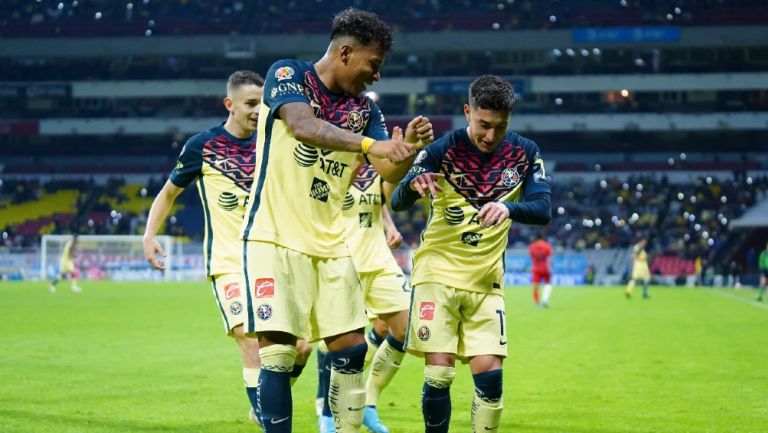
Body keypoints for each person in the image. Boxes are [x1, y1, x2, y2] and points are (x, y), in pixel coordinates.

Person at [239, 8, 431, 433]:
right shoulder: (288, 74)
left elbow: (387, 173)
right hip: (273, 238)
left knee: (351, 349)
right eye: (373, 65)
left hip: (332, 244)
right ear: (345, 52)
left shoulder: (365, 110)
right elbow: (302, 125)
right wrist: (369, 145)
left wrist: (408, 151)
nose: (376, 76)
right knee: (279, 353)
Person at [142, 70, 311, 427]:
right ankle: (270, 419)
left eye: (262, 104)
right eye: (250, 103)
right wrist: (149, 236)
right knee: (251, 344)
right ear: (229, 104)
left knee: (301, 348)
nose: (257, 110)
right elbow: (168, 193)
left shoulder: (275, 141)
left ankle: (267, 399)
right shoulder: (203, 146)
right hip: (229, 263)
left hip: (271, 260)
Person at [391, 75, 552, 433]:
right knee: (440, 371)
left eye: (500, 126)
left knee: (491, 381)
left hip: (486, 280)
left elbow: (543, 208)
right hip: (437, 274)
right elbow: (397, 200)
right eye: (483, 125)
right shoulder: (442, 150)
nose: (490, 136)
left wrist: (510, 209)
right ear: (468, 112)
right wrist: (414, 185)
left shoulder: (525, 152)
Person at [317, 148, 417, 433]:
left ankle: (369, 402)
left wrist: (389, 226)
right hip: (341, 261)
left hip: (379, 260)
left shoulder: (375, 168)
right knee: (341, 344)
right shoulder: (326, 164)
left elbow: (380, 201)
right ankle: (328, 415)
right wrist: (355, 164)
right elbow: (325, 202)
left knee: (405, 328)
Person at [529, 234, 553, 307]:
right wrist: (551, 268)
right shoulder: (547, 245)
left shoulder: (532, 246)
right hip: (546, 268)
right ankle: (544, 300)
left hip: (536, 269)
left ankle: (537, 303)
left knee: (536, 287)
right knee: (548, 284)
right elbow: (550, 258)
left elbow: (532, 257)